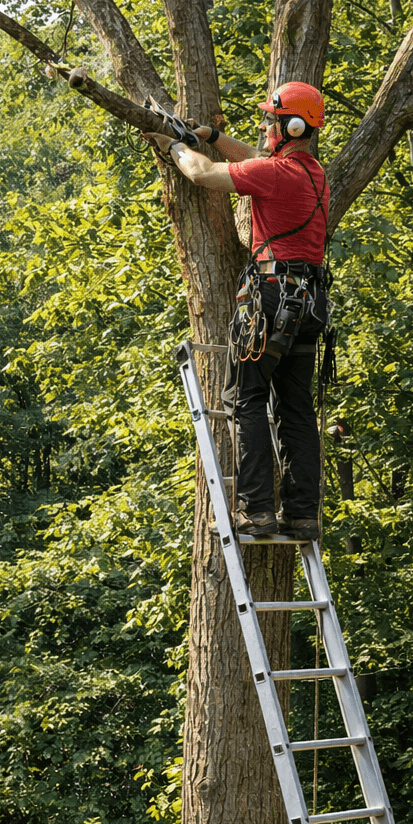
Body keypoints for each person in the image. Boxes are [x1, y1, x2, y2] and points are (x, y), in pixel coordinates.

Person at [145, 81, 330, 543]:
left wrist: (176, 149)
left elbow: (204, 175)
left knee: (245, 399)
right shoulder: (312, 173)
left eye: (272, 119)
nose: (266, 125)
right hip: (308, 302)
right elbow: (253, 157)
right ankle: (303, 513)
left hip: (271, 298)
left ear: (291, 125)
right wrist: (206, 135)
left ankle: (257, 511)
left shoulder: (276, 175)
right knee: (295, 408)